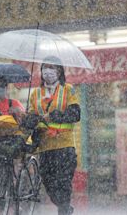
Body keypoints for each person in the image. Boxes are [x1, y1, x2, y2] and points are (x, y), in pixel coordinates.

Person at [28, 56, 80, 215]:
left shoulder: (68, 90)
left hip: (64, 146)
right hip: (45, 148)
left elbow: (75, 114)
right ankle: (65, 208)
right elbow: (31, 117)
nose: (48, 71)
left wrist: (55, 116)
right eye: (45, 67)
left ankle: (63, 210)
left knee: (63, 184)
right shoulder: (35, 93)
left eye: (52, 68)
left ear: (59, 71)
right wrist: (27, 119)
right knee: (50, 186)